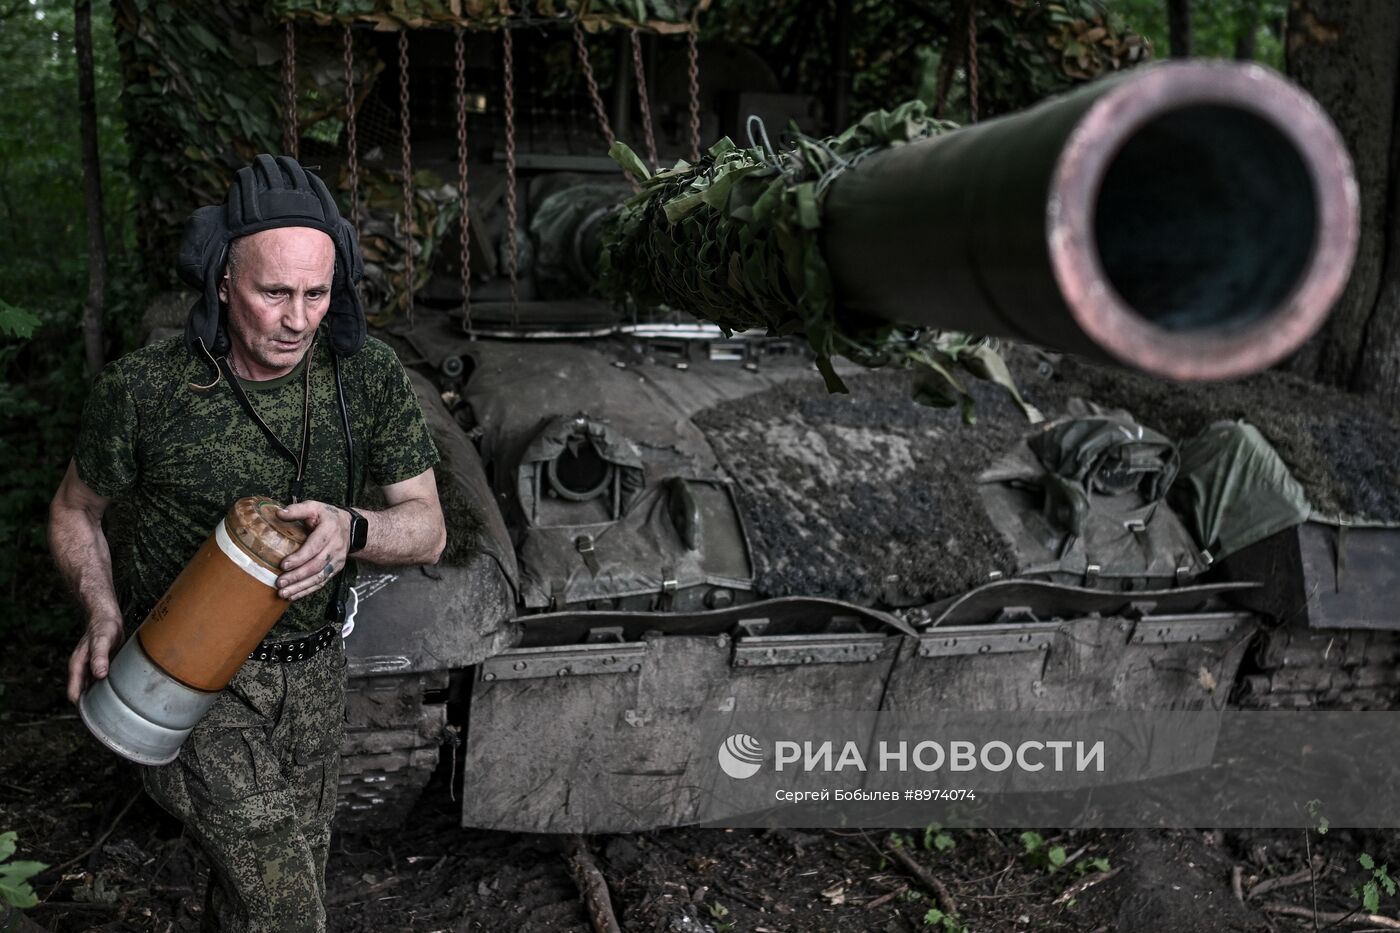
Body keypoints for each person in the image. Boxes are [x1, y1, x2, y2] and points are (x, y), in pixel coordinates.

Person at [48, 154, 446, 932]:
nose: (298, 318)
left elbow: (428, 527)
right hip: (186, 675)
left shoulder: (364, 377)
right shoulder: (147, 388)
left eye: (317, 293)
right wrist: (99, 612)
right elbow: (73, 510)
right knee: (289, 910)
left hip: (315, 680)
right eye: (274, 293)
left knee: (254, 896)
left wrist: (354, 527)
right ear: (222, 281)